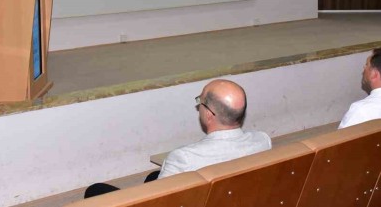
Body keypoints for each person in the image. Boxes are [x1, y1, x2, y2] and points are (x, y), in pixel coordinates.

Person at [84, 79, 271, 198]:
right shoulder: (262, 141)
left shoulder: (184, 158)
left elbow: (159, 201)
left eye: (200, 102)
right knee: (153, 177)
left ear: (209, 115)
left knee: (96, 190)